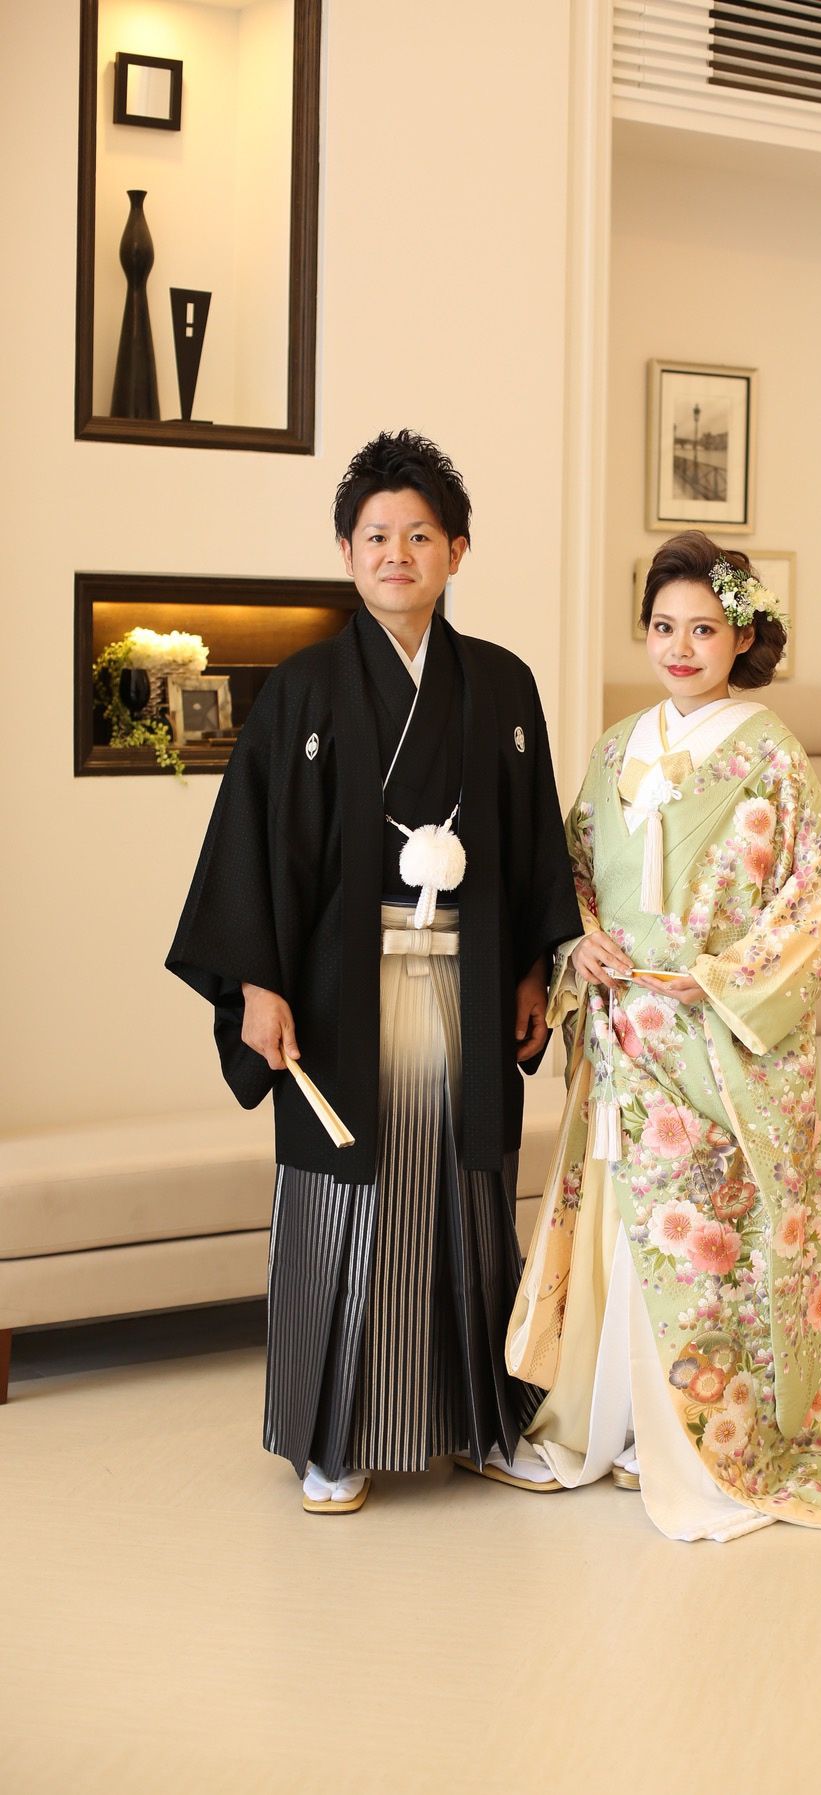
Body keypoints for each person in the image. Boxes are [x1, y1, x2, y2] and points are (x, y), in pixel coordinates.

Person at [507, 530, 821, 1541]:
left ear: (741, 638)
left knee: (706, 1242)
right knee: (629, 1230)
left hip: (716, 1037)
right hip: (625, 1031)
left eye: (703, 629)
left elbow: (817, 890)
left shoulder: (770, 752)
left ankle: (706, 1440)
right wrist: (580, 940)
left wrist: (717, 982)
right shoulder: (616, 747)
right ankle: (618, 1423)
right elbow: (573, 867)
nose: (679, 648)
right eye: (662, 627)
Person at [168, 430, 580, 1513]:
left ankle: (484, 1422)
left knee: (465, 1196)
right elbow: (254, 847)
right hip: (338, 990)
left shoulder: (501, 684)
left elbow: (531, 845)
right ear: (346, 552)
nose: (397, 554)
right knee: (344, 1198)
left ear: (456, 551)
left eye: (420, 535)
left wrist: (531, 971)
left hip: (468, 981)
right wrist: (258, 984)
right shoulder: (302, 688)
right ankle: (334, 1437)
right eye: (376, 536)